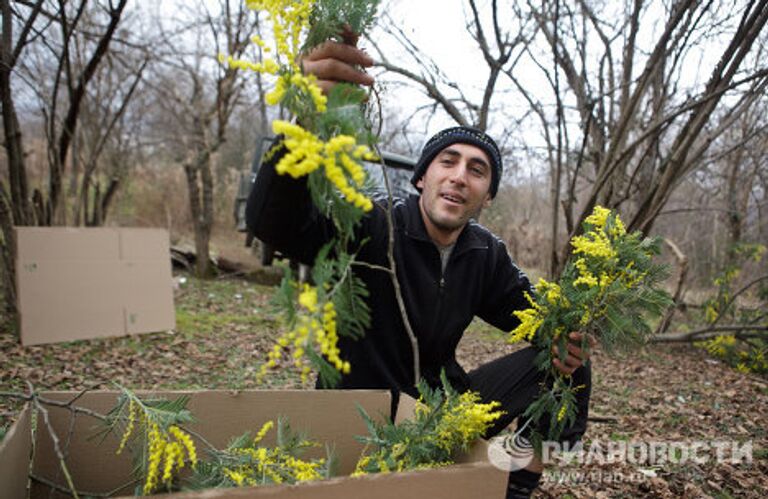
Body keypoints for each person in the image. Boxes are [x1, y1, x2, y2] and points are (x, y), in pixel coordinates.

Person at [246, 37, 592, 499]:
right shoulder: (372, 222)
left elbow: (542, 323)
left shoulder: (485, 255)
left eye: (477, 170)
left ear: (486, 197)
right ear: (422, 177)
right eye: (447, 161)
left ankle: (516, 484)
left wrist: (573, 330)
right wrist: (305, 118)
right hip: (356, 417)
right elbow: (276, 224)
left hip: (439, 411)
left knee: (568, 359)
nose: (458, 176)